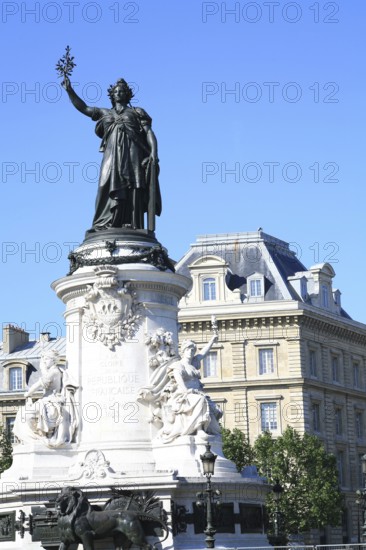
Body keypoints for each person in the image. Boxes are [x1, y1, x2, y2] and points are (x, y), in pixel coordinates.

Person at [62, 76, 161, 231]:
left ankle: (132, 224)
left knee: (133, 186)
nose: (119, 93)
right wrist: (70, 91)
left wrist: (154, 152)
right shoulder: (104, 112)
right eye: (116, 91)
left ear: (127, 94)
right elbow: (84, 108)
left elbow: (149, 133)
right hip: (111, 156)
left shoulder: (137, 112)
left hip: (133, 154)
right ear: (112, 95)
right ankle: (104, 222)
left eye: (122, 91)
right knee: (105, 185)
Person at [13, 350, 78, 448]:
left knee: (29, 413)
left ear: (54, 360)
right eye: (43, 359)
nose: (44, 361)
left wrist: (28, 393)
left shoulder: (54, 371)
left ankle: (41, 436)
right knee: (23, 413)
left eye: (46, 359)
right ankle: (39, 436)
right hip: (46, 399)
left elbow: (39, 384)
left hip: (52, 400)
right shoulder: (51, 371)